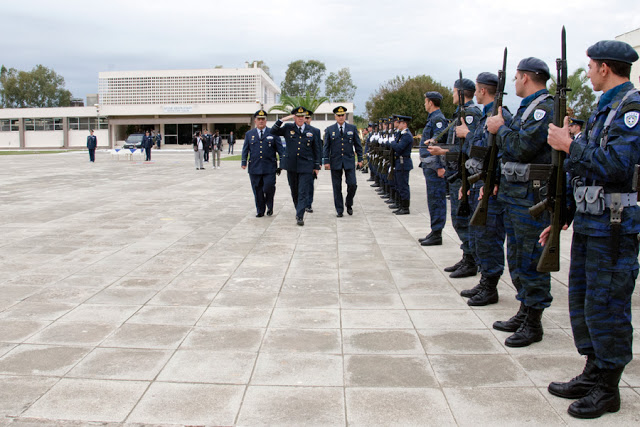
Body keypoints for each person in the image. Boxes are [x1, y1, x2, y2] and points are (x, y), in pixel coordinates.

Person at [544, 40, 639, 419]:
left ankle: (608, 389)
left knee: (608, 305)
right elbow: (585, 170)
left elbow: (617, 165)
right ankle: (593, 370)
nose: (587, 72)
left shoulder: (631, 108)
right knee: (584, 301)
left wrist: (570, 145)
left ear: (604, 68)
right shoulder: (605, 109)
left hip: (613, 227)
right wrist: (561, 215)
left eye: (590, 66)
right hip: (590, 222)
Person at [485, 57, 554, 347]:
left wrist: (500, 129)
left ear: (525, 78)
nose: (514, 83)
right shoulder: (528, 110)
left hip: (531, 197)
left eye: (516, 78)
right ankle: (525, 310)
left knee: (530, 258)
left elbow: (521, 147)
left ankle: (534, 322)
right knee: (516, 255)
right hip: (515, 197)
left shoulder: (544, 109)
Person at [457, 72, 512, 305]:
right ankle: (485, 282)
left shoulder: (499, 116)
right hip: (480, 181)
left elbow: (502, 153)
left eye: (478, 89)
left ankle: (490, 286)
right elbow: (480, 151)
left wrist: (495, 182)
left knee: (489, 237)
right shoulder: (485, 117)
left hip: (490, 186)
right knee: (480, 235)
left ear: (482, 90)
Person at [428, 78, 482, 278]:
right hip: (456, 173)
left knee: (462, 219)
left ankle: (471, 260)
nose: (451, 95)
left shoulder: (470, 114)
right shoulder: (460, 113)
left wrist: (442, 151)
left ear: (460, 93)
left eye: (453, 92)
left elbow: (470, 148)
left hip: (464, 174)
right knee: (459, 220)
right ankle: (467, 257)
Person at [271, 106, 321, 226]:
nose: (300, 118)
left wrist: (317, 166)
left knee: (303, 191)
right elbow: (273, 131)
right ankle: (299, 208)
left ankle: (300, 215)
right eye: (297, 116)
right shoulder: (288, 128)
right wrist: (282, 120)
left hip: (306, 165)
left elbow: (317, 150)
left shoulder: (313, 131)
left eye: (302, 116)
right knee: (294, 190)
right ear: (294, 117)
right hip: (291, 165)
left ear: (305, 117)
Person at [418, 92, 449, 245]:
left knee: (437, 199)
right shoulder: (433, 118)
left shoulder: (437, 119)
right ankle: (434, 230)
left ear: (430, 102)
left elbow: (439, 143)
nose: (424, 104)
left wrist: (439, 166)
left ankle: (437, 233)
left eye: (425, 101)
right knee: (432, 199)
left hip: (434, 166)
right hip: (429, 165)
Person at [242, 109, 285, 217]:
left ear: (266, 121)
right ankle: (260, 210)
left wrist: (283, 163)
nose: (261, 121)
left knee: (268, 187)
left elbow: (280, 150)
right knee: (257, 189)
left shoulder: (273, 133)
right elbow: (245, 149)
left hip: (269, 167)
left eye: (263, 119)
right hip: (255, 167)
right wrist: (243, 162)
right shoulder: (249, 134)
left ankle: (269, 205)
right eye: (259, 119)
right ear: (255, 121)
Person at [323, 106, 363, 217]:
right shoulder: (330, 130)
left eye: (343, 115)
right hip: (335, 161)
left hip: (349, 160)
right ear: (335, 116)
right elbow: (326, 147)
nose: (341, 117)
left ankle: (349, 202)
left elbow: (358, 145)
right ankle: (339, 210)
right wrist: (326, 161)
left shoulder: (352, 128)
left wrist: (360, 159)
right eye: (338, 115)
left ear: (345, 116)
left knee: (352, 184)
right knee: (337, 187)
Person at [390, 115, 414, 214]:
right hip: (399, 163)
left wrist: (392, 143)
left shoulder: (407, 135)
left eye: (399, 123)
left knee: (403, 186)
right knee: (399, 185)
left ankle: (405, 207)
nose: (397, 124)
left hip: (403, 163)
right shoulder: (401, 134)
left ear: (404, 124)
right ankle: (400, 205)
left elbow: (399, 148)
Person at [304, 110, 321, 213]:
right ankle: (301, 203)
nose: (306, 120)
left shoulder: (315, 131)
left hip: (310, 162)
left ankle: (308, 204)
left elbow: (318, 148)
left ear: (310, 119)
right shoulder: (296, 130)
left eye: (307, 118)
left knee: (310, 184)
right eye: (304, 118)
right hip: (299, 162)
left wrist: (317, 164)